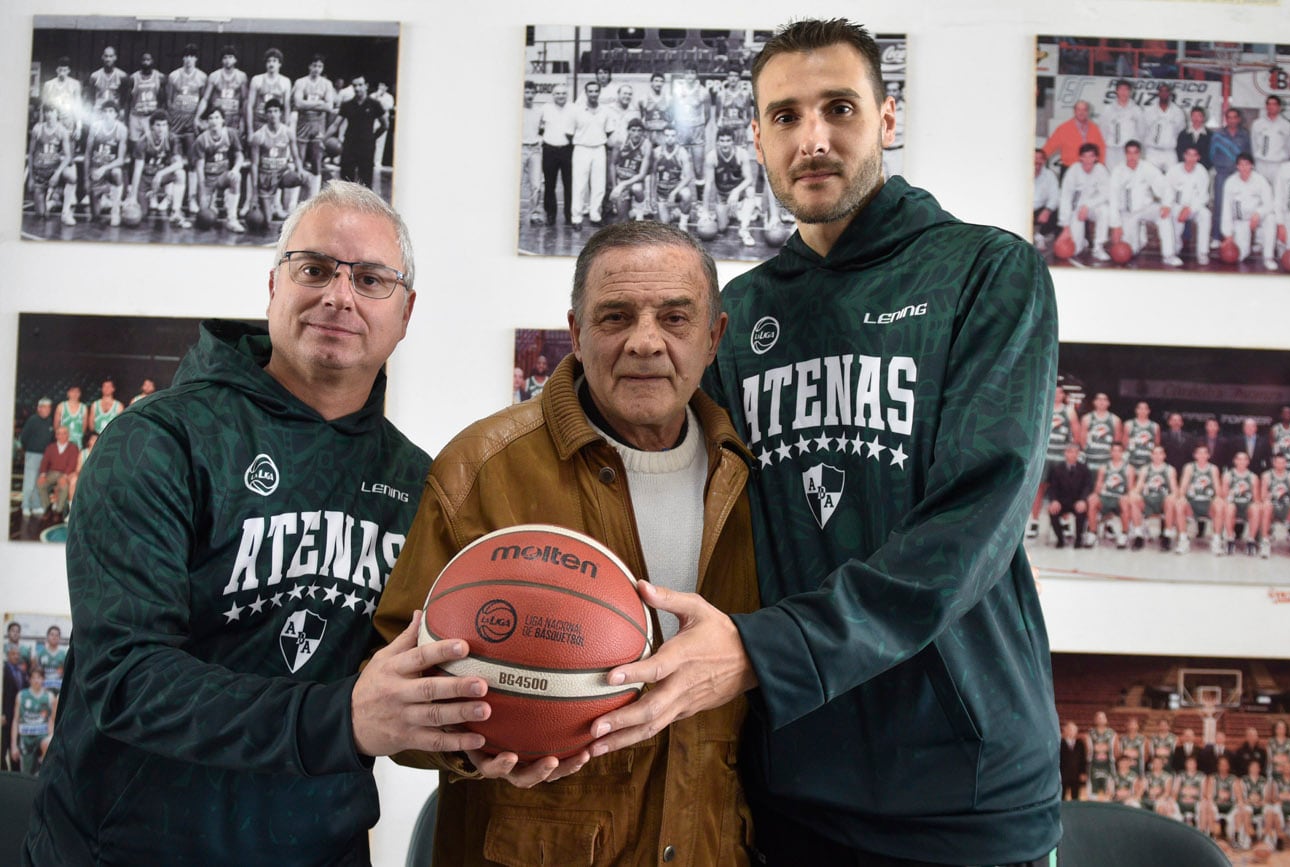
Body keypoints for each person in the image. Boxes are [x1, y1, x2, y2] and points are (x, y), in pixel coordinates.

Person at [592, 20, 1060, 865]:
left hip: (965, 792)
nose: (813, 137)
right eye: (784, 116)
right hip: (793, 789)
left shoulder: (987, 273)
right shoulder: (740, 316)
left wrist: (765, 648)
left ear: (886, 118)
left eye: (839, 108)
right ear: (757, 138)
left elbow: (973, 523)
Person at [22, 182, 493, 864]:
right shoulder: (158, 440)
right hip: (128, 846)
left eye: (370, 278)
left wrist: (494, 737)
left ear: (406, 311)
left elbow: (409, 682)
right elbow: (127, 676)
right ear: (272, 284)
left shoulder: (421, 484)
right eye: (315, 268)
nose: (339, 295)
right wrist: (340, 718)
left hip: (318, 847)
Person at [374, 221, 759, 866]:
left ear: (714, 337)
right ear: (576, 335)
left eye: (675, 317)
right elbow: (394, 694)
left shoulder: (751, 477)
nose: (644, 342)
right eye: (614, 317)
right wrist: (472, 741)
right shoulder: (479, 470)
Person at [1108, 140, 1182, 267]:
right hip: (1127, 213)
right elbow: (1113, 200)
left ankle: (1169, 255)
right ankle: (1139, 238)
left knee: (1164, 216)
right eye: (1129, 153)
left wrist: (1166, 204)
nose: (1132, 157)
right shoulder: (1117, 172)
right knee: (1130, 251)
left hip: (1146, 208)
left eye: (1135, 153)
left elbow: (1164, 186)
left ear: (1140, 154)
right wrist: (1116, 225)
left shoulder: (1147, 167)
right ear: (1124, 154)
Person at [1030, 386, 1078, 540]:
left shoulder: (1069, 411)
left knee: (1063, 490)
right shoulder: (1044, 408)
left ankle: (1064, 522)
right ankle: (1034, 522)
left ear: (1063, 395)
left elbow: (1076, 434)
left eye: (1060, 392)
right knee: (1039, 489)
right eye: (1054, 392)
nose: (1057, 395)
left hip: (1060, 456)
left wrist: (1072, 454)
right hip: (1045, 455)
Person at [129, 110, 190, 227]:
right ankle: (138, 196)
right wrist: (133, 196)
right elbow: (137, 170)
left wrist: (161, 173)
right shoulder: (143, 141)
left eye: (164, 125)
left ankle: (176, 211)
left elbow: (179, 164)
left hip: (161, 177)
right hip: (145, 178)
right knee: (141, 215)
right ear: (152, 126)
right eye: (158, 125)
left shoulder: (172, 139)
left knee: (180, 174)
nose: (161, 129)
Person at [191, 106, 246, 233]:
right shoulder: (202, 140)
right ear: (206, 122)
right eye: (210, 118)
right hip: (208, 179)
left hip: (223, 176)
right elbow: (199, 166)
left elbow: (240, 155)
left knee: (235, 178)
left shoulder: (230, 133)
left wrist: (236, 169)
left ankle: (232, 218)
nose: (214, 121)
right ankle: (212, 202)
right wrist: (202, 190)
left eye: (217, 117)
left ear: (222, 120)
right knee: (205, 218)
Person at [166, 43, 207, 212]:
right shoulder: (174, 76)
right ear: (182, 58)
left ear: (196, 58)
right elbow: (168, 100)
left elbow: (204, 100)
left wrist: (198, 119)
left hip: (191, 125)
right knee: (173, 160)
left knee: (192, 162)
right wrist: (173, 118)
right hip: (176, 124)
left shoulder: (202, 77)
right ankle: (168, 198)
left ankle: (191, 199)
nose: (189, 59)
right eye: (186, 56)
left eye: (192, 56)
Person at [1220, 154, 1278, 270]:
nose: (1244, 168)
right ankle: (1248, 245)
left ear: (1252, 165)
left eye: (1247, 164)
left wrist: (1258, 214)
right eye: (1241, 165)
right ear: (1237, 166)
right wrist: (1228, 235)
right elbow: (1226, 209)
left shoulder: (1260, 180)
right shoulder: (1230, 182)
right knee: (1240, 255)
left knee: (1271, 218)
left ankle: (1268, 257)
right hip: (1241, 221)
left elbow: (1270, 203)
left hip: (1257, 217)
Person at [703, 128, 759, 245]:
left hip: (739, 194)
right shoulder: (712, 157)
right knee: (722, 228)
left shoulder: (741, 154)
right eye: (722, 141)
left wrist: (736, 191)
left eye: (728, 140)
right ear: (717, 142)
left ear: (733, 141)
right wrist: (705, 211)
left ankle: (744, 229)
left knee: (750, 191)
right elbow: (708, 184)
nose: (725, 144)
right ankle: (734, 211)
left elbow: (749, 178)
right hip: (722, 196)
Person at [570, 80, 614, 227]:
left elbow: (609, 131)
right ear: (586, 93)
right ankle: (576, 217)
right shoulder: (576, 110)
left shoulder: (605, 110)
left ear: (599, 92)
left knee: (599, 184)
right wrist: (583, 140)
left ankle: (595, 214)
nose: (593, 94)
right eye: (591, 91)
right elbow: (570, 132)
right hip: (581, 148)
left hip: (599, 148)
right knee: (579, 184)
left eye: (596, 91)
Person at [249, 98, 302, 222]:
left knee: (302, 178)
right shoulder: (258, 136)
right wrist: (254, 192)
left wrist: (300, 170)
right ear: (265, 114)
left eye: (276, 111)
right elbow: (254, 165)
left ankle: (293, 209)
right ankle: (268, 208)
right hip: (266, 176)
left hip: (282, 173)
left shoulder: (288, 132)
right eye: (270, 111)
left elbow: (296, 156)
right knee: (265, 221)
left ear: (281, 113)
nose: (273, 114)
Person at [331, 77, 388, 190]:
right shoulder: (347, 105)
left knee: (365, 182)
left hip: (366, 146)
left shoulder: (374, 104)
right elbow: (335, 125)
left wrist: (373, 137)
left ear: (366, 85)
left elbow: (385, 125)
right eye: (355, 85)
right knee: (346, 181)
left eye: (360, 85)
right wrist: (324, 139)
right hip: (349, 145)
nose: (357, 88)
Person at [1057, 142, 1112, 261]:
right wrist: (1065, 226)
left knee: (1105, 210)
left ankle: (1098, 247)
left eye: (1091, 156)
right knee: (1075, 250)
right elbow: (1065, 197)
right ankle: (1081, 241)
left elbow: (1106, 193)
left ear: (1096, 157)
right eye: (1085, 156)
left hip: (1093, 208)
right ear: (1080, 157)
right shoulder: (1073, 171)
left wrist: (1087, 205)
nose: (1088, 160)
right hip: (1076, 210)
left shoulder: (1101, 170)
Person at [292, 54, 336, 201]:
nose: (316, 69)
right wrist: (319, 105)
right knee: (300, 160)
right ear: (309, 66)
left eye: (319, 66)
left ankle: (313, 198)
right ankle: (293, 202)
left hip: (319, 126)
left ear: (322, 68)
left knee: (317, 161)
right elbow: (298, 103)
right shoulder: (301, 82)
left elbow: (329, 106)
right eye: (314, 65)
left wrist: (308, 105)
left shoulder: (327, 84)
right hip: (303, 125)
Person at [26, 103, 78, 227]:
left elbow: (68, 156)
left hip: (53, 171)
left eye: (52, 111)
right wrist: (31, 178)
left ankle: (65, 212)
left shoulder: (62, 131)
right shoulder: (37, 129)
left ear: (57, 114)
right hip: (39, 173)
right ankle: (49, 200)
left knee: (71, 176)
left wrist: (57, 173)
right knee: (41, 214)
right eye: (47, 112)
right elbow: (31, 154)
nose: (49, 114)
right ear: (43, 114)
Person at [1209, 106, 1251, 244]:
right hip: (1222, 175)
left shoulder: (1244, 135)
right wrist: (1221, 166)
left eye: (1234, 117)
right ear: (1225, 119)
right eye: (1229, 117)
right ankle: (1216, 236)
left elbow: (1248, 155)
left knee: (1238, 205)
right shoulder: (1218, 135)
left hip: (1239, 175)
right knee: (1219, 205)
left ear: (1238, 119)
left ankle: (1234, 237)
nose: (1232, 120)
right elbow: (1212, 155)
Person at [86, 101, 131, 226]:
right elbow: (88, 155)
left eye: (111, 111)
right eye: (105, 111)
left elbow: (121, 160)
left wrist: (104, 168)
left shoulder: (121, 129)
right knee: (95, 215)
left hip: (110, 170)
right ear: (101, 113)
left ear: (116, 114)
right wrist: (86, 179)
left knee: (117, 172)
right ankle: (105, 196)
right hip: (95, 171)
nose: (107, 114)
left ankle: (115, 209)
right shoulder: (95, 127)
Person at [1167, 143, 1212, 265]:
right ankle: (1175, 248)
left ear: (1198, 157)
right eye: (1189, 155)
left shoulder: (1202, 172)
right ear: (1184, 156)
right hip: (1177, 206)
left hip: (1194, 208)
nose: (1191, 158)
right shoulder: (1173, 170)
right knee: (1175, 223)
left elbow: (1204, 196)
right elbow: (1167, 191)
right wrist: (1175, 208)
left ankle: (1202, 252)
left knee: (1206, 214)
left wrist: (1190, 209)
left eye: (1194, 155)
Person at [1175, 444, 1224, 554]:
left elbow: (1218, 489)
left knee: (1219, 504)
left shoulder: (1213, 468)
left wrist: (1218, 498)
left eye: (1204, 453)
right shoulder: (1189, 467)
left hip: (1208, 503)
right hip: (1192, 503)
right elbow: (1183, 487)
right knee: (1179, 504)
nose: (1202, 455)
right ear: (1195, 455)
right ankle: (1183, 540)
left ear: (1208, 455)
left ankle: (1216, 541)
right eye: (1199, 453)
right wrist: (1182, 497)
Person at [1086, 442, 1135, 548]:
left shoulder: (1128, 468)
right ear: (1110, 452)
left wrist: (1128, 497)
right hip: (1105, 498)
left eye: (1119, 451)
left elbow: (1131, 489)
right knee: (1092, 500)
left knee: (1125, 501)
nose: (1116, 453)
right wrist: (1095, 494)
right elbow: (1098, 485)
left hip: (1119, 499)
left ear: (1122, 453)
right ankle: (1092, 533)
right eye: (1114, 450)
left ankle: (1124, 533)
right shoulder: (1104, 467)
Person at [539, 82, 575, 227]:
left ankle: (569, 214)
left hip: (567, 149)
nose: (561, 96)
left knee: (569, 184)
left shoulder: (573, 109)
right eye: (557, 94)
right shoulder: (545, 109)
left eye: (563, 93)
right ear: (552, 95)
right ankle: (551, 214)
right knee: (549, 184)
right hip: (549, 150)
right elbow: (538, 127)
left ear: (567, 95)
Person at [1130, 445, 1179, 550]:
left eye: (1160, 453)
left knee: (1171, 501)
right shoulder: (1145, 469)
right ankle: (1138, 535)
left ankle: (1167, 536)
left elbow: (1175, 490)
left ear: (1164, 455)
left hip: (1163, 501)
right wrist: (1134, 494)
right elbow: (1138, 487)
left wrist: (1172, 496)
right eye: (1155, 453)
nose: (1157, 456)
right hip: (1148, 500)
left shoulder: (1169, 469)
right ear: (1151, 456)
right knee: (1134, 499)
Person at [197, 45, 248, 142]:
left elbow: (245, 101)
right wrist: (197, 117)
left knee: (234, 144)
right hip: (218, 118)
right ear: (221, 60)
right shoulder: (214, 76)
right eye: (225, 57)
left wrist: (243, 121)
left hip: (234, 118)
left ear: (235, 60)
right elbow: (205, 99)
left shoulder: (241, 76)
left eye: (230, 57)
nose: (228, 60)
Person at [10, 667, 54, 776]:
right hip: (26, 739)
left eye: (39, 677)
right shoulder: (21, 696)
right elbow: (15, 721)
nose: (36, 680)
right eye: (33, 677)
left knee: (44, 773)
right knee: (26, 775)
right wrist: (13, 745)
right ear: (29, 679)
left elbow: (52, 720)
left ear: (43, 679)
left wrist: (50, 738)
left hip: (42, 737)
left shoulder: (49, 697)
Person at [18, 398, 55, 530]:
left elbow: (51, 440)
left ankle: (36, 506)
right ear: (39, 408)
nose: (46, 409)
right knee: (29, 481)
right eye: (44, 407)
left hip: (45, 457)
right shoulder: (33, 420)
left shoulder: (50, 422)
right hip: (32, 454)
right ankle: (26, 506)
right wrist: (30, 450)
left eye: (49, 407)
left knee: (39, 482)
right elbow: (24, 438)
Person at [1047, 442, 1092, 548]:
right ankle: (1060, 539)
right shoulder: (1057, 469)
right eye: (1070, 452)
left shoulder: (1084, 469)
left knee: (1081, 511)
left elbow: (1088, 486)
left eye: (1075, 452)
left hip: (1077, 501)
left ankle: (1079, 539)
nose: (1073, 455)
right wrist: (1054, 500)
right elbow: (1052, 488)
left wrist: (1083, 500)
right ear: (1065, 453)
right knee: (1053, 511)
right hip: (1061, 501)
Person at [650, 125, 694, 231]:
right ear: (662, 137)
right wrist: (652, 196)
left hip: (676, 190)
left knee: (687, 194)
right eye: (667, 135)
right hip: (662, 192)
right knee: (664, 224)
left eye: (673, 135)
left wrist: (674, 192)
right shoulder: (656, 152)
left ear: (677, 137)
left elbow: (688, 177)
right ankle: (676, 213)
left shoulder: (682, 152)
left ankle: (683, 223)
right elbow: (653, 175)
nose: (670, 138)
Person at [607, 116, 651, 222]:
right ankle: (632, 211)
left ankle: (640, 209)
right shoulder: (620, 142)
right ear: (628, 131)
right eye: (633, 130)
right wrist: (615, 186)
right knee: (623, 221)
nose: (636, 134)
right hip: (621, 180)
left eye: (639, 131)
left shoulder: (646, 145)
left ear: (643, 132)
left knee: (637, 188)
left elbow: (642, 174)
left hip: (635, 181)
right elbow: (612, 164)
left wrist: (622, 185)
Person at [1220, 450, 1262, 555]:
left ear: (1248, 462)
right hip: (1233, 505)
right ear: (1235, 461)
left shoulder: (1253, 477)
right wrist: (1230, 495)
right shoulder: (1228, 475)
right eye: (1239, 459)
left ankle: (1251, 540)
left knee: (1256, 508)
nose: (1242, 462)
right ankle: (1230, 539)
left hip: (1247, 506)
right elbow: (1224, 497)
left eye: (1244, 459)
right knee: (1229, 507)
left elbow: (1256, 499)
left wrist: (1256, 505)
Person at [1043, 100, 1105, 170]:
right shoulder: (1063, 128)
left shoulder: (1095, 128)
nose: (1081, 112)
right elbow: (1050, 147)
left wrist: (1100, 165)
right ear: (1074, 111)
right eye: (1078, 109)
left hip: (1090, 168)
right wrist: (1037, 160)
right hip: (1069, 168)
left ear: (1088, 112)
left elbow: (1101, 149)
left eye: (1084, 110)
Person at [1260, 453, 1290, 560]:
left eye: (1283, 463)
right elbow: (1263, 497)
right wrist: (1269, 495)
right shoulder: (1267, 476)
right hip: (1272, 510)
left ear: (1286, 463)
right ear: (1274, 463)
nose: (1280, 465)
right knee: (1266, 505)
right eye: (1278, 462)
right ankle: (1265, 541)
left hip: (1287, 510)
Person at [247, 48, 292, 140]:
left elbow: (287, 107)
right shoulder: (257, 80)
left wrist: (286, 128)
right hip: (259, 121)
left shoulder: (285, 81)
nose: (271, 64)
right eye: (269, 61)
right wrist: (250, 131)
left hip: (277, 123)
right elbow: (249, 106)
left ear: (280, 64)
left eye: (274, 61)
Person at [1252, 94, 1290, 188]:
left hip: (1278, 164)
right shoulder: (1257, 124)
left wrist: (1283, 158)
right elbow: (1253, 144)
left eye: (1274, 104)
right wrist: (1258, 157)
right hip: (1261, 163)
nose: (1271, 106)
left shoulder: (1286, 125)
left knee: (1278, 192)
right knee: (1260, 191)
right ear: (1266, 106)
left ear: (1279, 107)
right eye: (1269, 104)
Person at [35, 426, 79, 520]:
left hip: (65, 473)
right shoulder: (51, 447)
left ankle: (58, 511)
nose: (62, 436)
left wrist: (65, 476)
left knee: (64, 486)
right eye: (59, 433)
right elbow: (44, 462)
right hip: (52, 473)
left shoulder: (73, 448)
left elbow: (72, 464)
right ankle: (47, 508)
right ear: (56, 436)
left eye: (64, 433)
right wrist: (42, 475)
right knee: (40, 484)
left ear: (68, 435)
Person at [1100, 80, 1144, 171]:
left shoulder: (1136, 110)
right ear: (1116, 91)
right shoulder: (1108, 109)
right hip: (1111, 150)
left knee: (1129, 175)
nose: (1123, 92)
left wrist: (1134, 148)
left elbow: (1141, 131)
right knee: (1111, 176)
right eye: (1121, 89)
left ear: (1130, 92)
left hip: (1128, 151)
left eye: (1126, 90)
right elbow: (1103, 130)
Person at [1142, 84, 1185, 172]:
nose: (1164, 93)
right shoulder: (1148, 111)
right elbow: (1142, 130)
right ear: (1158, 93)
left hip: (1170, 151)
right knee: (1150, 179)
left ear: (1170, 93)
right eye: (1161, 91)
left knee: (1173, 178)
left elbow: (1181, 131)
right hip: (1152, 151)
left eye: (1166, 91)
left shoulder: (1178, 112)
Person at [125, 52, 165, 148]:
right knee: (134, 145)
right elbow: (127, 101)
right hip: (136, 116)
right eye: (144, 60)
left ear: (152, 61)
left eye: (148, 60)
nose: (146, 62)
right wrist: (126, 120)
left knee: (150, 144)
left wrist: (159, 117)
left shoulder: (159, 77)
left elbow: (163, 101)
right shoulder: (133, 78)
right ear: (140, 62)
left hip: (150, 116)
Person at [519, 80, 545, 225]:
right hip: (520, 150)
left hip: (535, 150)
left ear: (535, 93)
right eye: (526, 92)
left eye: (531, 92)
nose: (529, 95)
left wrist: (539, 139)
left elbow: (542, 129)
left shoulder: (539, 111)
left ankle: (535, 213)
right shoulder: (516, 110)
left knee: (536, 184)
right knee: (517, 183)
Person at [1079, 392, 1122, 471]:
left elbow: (1117, 441)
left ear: (1108, 403)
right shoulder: (1087, 418)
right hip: (1090, 458)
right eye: (1099, 399)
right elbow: (1082, 440)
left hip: (1107, 460)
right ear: (1094, 402)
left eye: (1104, 400)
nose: (1101, 402)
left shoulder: (1115, 420)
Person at [2, 642, 28, 771]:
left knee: (16, 749)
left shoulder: (21, 672)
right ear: (8, 654)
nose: (16, 656)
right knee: (2, 748)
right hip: (5, 716)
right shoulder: (3, 670)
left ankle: (15, 777)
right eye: (13, 653)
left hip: (19, 716)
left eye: (18, 654)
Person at [1032, 147, 1060, 252]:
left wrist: (1047, 210)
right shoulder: (1020, 173)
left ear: (1044, 161)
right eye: (1034, 158)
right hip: (1022, 210)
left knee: (1058, 211)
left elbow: (1055, 196)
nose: (1037, 161)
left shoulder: (1050, 175)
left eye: (1040, 158)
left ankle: (1040, 235)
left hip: (1040, 211)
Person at [87, 45, 127, 114]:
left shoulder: (122, 76)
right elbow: (90, 97)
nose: (108, 59)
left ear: (115, 57)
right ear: (102, 57)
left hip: (114, 112)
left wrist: (122, 110)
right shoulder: (95, 76)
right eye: (106, 56)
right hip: (99, 111)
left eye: (111, 56)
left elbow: (124, 97)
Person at [30, 627, 66, 696]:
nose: (54, 637)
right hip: (44, 689)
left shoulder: (64, 654)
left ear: (59, 638)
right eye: (52, 635)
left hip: (60, 689)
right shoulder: (40, 654)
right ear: (47, 637)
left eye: (56, 635)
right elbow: (36, 672)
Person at [1176, 105, 1212, 171]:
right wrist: (1186, 165)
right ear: (1191, 117)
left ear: (1203, 118)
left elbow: (1210, 154)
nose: (1196, 119)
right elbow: (1179, 151)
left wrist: (1202, 167)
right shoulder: (1183, 134)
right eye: (1194, 116)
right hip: (1185, 168)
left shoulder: (1209, 135)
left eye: (1199, 116)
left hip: (1203, 169)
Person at [1061, 720, 1088, 801]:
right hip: (1063, 774)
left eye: (1073, 730)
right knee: (1062, 796)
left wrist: (1083, 772)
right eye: (1069, 729)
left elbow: (1083, 759)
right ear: (1064, 731)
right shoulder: (1060, 743)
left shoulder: (1080, 743)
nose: (1071, 732)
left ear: (1076, 731)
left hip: (1076, 774)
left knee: (1075, 796)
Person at [1273, 406, 1290, 472]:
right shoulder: (1275, 429)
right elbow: (1272, 447)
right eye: (1284, 413)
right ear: (1281, 415)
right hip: (1279, 464)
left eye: (1289, 413)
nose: (1286, 415)